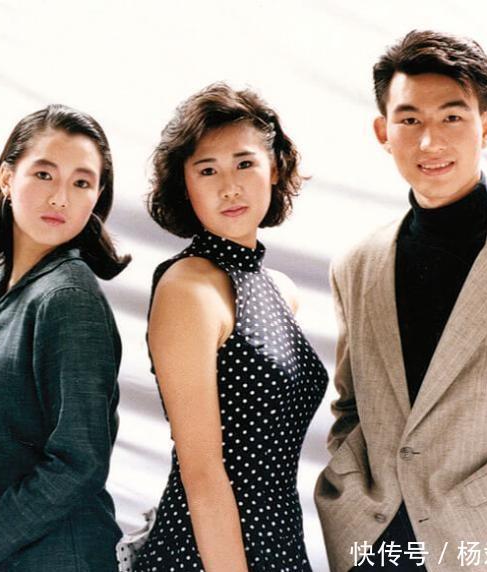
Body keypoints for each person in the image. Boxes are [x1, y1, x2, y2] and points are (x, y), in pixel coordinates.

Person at [315, 30, 487, 572]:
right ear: (383, 131)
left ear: (486, 126)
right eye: (409, 120)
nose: (430, 142)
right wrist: (347, 499)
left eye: (452, 117)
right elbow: (351, 408)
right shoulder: (356, 264)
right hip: (375, 545)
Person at [133, 83, 328, 571]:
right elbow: (202, 474)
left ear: (274, 168)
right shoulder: (187, 287)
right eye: (207, 170)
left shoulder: (280, 289)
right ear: (185, 185)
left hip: (279, 543)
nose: (229, 187)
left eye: (244, 164)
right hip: (208, 553)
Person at [0, 104, 129, 571]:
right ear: (7, 178)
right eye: (44, 174)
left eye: (81, 183)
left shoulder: (69, 298)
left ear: (97, 197)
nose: (60, 198)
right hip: (4, 553)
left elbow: (80, 461)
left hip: (65, 556)